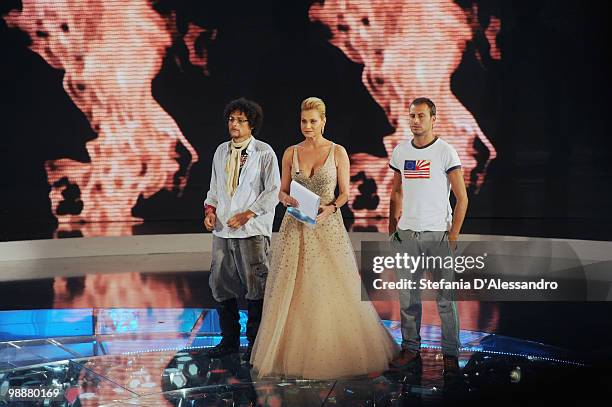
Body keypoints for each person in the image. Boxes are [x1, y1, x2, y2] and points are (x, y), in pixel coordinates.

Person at [251, 97, 398, 379]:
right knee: (293, 290)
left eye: (313, 121)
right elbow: (281, 190)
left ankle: (331, 351)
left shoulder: (337, 151)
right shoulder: (290, 152)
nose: (308, 126)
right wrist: (286, 199)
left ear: (324, 121)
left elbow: (345, 193)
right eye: (304, 121)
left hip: (327, 226)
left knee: (330, 288)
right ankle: (292, 353)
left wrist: (330, 208)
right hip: (296, 227)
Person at [388, 97, 468, 380]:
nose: (415, 121)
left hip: (438, 235)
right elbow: (396, 192)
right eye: (411, 116)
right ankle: (410, 348)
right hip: (408, 234)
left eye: (421, 116)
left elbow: (462, 198)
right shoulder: (400, 151)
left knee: (445, 299)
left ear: (434, 119)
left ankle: (450, 354)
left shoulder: (446, 152)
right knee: (407, 297)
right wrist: (392, 230)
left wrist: (453, 234)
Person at [204, 97, 281, 362]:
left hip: (252, 231)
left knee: (256, 286)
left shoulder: (264, 152)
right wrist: (210, 211)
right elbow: (214, 188)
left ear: (252, 124)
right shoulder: (221, 151)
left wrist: (248, 214)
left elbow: (273, 192)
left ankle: (256, 344)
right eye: (231, 119)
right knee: (220, 284)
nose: (234, 124)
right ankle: (229, 340)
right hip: (223, 230)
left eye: (240, 120)